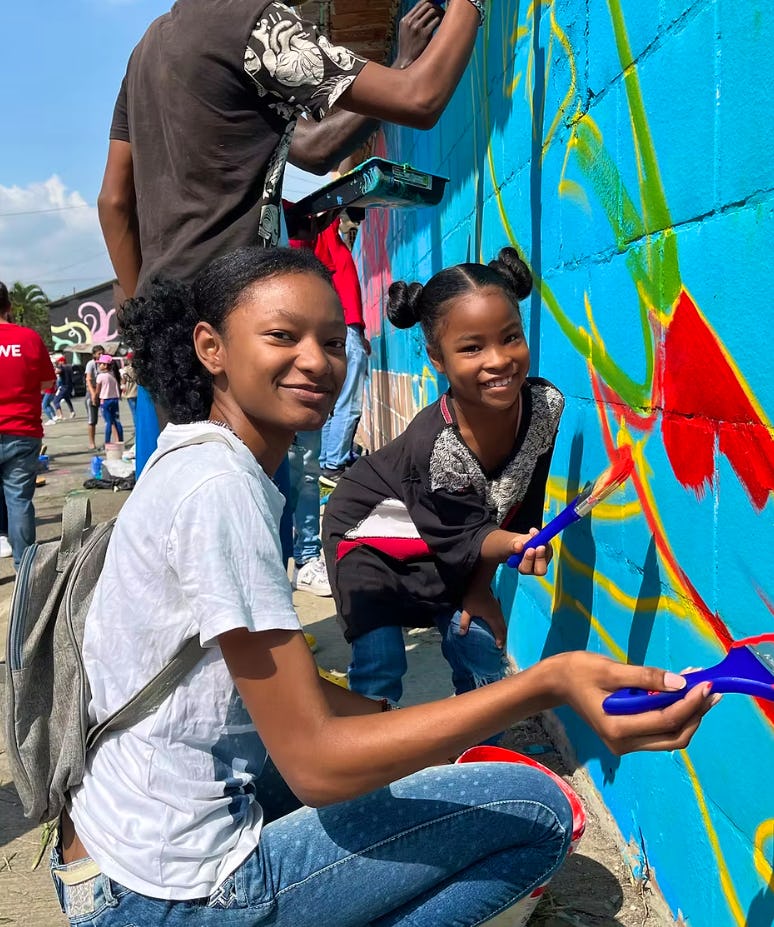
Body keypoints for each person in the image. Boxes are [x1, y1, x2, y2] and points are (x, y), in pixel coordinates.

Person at [54, 246, 714, 927]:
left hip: (109, 853)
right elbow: (315, 764)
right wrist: (545, 683)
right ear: (211, 347)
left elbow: (276, 698)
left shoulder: (196, 457)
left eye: (333, 341)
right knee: (536, 809)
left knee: (397, 759)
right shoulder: (223, 491)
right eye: (283, 336)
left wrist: (395, 728)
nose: (316, 361)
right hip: (165, 894)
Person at [96, 0, 477, 474]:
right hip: (240, 319)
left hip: (175, 334)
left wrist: (148, 329)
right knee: (243, 500)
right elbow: (420, 98)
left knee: (202, 492)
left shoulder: (147, 50)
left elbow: (113, 203)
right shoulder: (251, 20)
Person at [322, 249, 563, 708]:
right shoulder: (438, 447)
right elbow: (467, 535)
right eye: (472, 347)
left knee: (479, 650)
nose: (499, 360)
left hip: (443, 531)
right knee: (381, 660)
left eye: (511, 337)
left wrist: (482, 584)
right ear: (436, 358)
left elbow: (516, 506)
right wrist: (513, 546)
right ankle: (372, 764)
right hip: (370, 529)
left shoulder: (544, 407)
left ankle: (478, 758)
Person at [285, 214, 367, 597]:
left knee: (303, 467)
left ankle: (304, 556)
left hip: (324, 329)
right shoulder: (269, 213)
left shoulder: (312, 219)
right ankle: (283, 561)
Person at [0, 280, 55, 568]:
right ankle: (24, 569)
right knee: (19, 500)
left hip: (19, 431)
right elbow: (48, 382)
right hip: (22, 431)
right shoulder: (28, 339)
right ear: (9, 306)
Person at [96, 354, 124, 447]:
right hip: (114, 399)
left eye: (100, 364)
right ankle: (121, 441)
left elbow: (97, 390)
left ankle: (107, 442)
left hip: (105, 400)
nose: (99, 365)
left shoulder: (101, 376)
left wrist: (95, 398)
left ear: (105, 365)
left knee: (108, 422)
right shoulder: (114, 375)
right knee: (117, 420)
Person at [84, 344, 104, 450]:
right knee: (92, 420)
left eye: (102, 353)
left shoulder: (104, 364)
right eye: (99, 353)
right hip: (92, 393)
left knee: (109, 419)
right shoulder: (91, 364)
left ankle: (110, 441)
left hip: (103, 393)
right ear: (94, 355)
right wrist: (93, 395)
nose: (101, 355)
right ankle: (92, 442)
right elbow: (88, 379)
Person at [120, 351, 138, 423]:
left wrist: (122, 387)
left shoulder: (125, 370)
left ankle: (136, 429)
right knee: (138, 412)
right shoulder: (137, 369)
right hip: (137, 392)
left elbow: (123, 381)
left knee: (134, 412)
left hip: (130, 393)